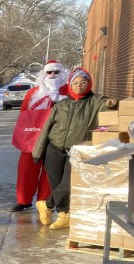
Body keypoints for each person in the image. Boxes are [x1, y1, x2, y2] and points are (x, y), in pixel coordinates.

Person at [32, 67, 118, 230]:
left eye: (83, 82)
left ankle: (47, 205)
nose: (79, 85)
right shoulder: (61, 104)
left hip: (77, 151)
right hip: (54, 148)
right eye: (75, 82)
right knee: (57, 185)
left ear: (89, 83)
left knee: (69, 184)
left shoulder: (96, 101)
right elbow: (47, 127)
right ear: (71, 84)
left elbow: (108, 106)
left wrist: (111, 104)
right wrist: (39, 151)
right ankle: (64, 215)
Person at [10, 60, 68, 212]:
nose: (53, 75)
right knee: (26, 169)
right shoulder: (34, 93)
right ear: (44, 74)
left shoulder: (68, 92)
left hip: (56, 137)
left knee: (50, 170)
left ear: (62, 74)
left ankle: (45, 202)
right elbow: (24, 114)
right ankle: (23, 200)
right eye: (49, 72)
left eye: (56, 72)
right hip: (33, 137)